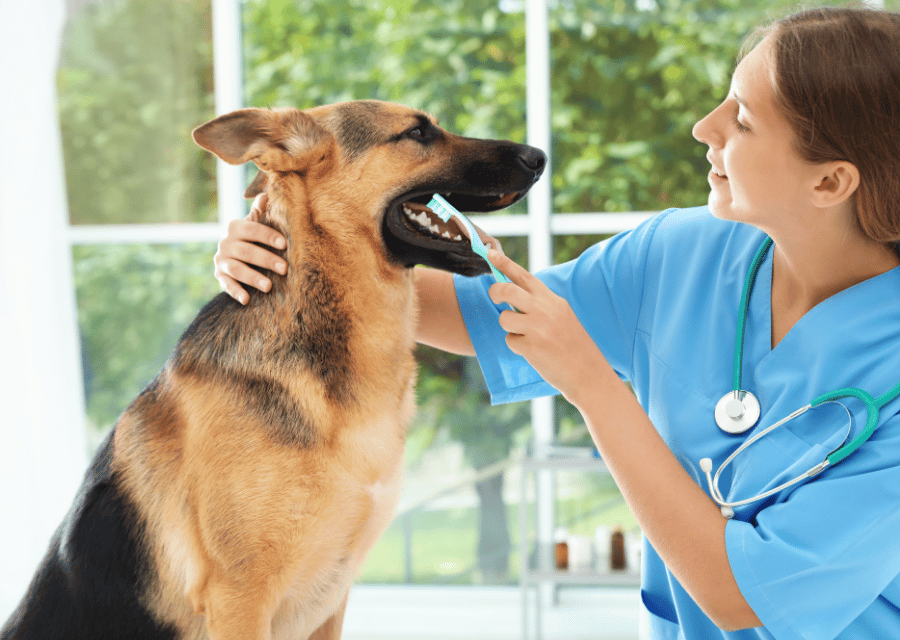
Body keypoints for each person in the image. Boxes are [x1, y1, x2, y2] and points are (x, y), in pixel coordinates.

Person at [212, 6, 900, 639]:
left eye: (743, 120)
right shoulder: (683, 255)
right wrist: (291, 251)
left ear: (830, 183)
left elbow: (738, 594)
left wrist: (594, 387)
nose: (705, 127)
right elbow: (477, 315)